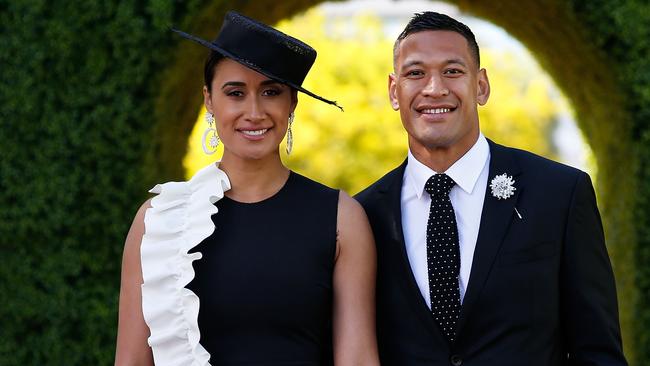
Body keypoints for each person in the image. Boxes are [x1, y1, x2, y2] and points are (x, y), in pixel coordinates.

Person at [355, 11, 627, 366]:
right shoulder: (364, 215)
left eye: (452, 71)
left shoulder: (560, 194)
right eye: (415, 73)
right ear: (395, 91)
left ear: (481, 85)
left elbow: (599, 351)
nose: (434, 88)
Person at [115, 11, 379, 366]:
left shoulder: (341, 218)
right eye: (235, 93)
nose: (254, 112)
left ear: (292, 103)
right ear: (209, 100)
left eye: (271, 92)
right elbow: (131, 361)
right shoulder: (161, 221)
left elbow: (358, 359)